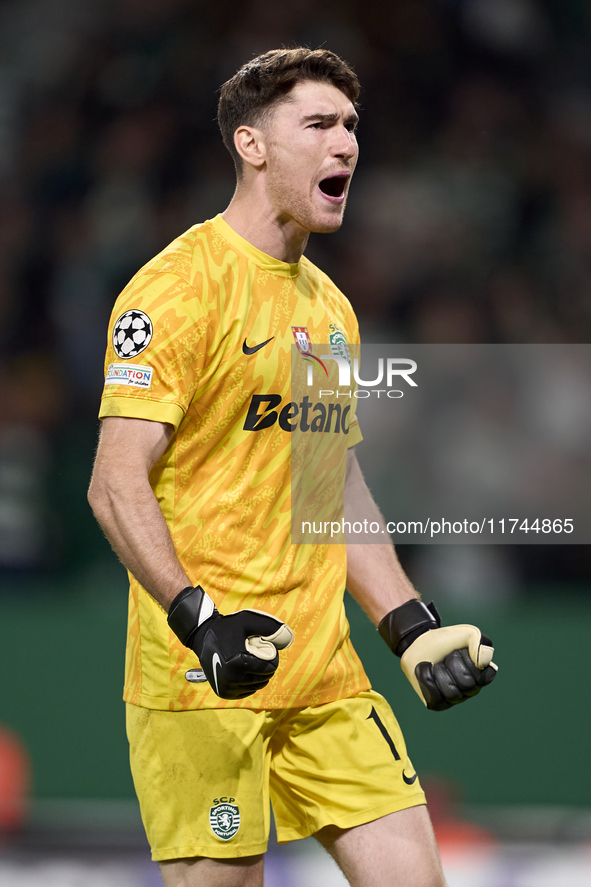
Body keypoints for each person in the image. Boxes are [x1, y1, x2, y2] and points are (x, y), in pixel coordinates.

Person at [88, 47, 497, 887]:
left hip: (325, 678)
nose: (344, 143)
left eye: (350, 125)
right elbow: (114, 481)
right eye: (317, 124)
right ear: (252, 145)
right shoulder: (174, 290)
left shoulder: (328, 307)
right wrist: (200, 620)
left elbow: (330, 485)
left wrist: (409, 625)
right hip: (204, 681)